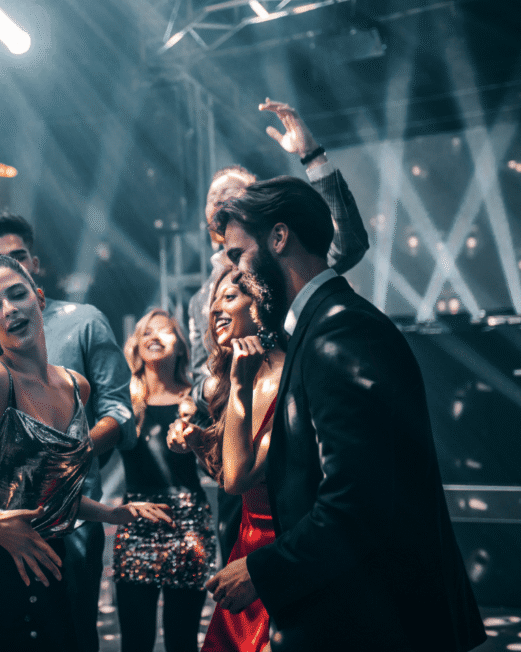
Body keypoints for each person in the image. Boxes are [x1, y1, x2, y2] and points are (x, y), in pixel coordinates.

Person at [207, 176, 486, 652]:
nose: (234, 271)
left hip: (379, 621)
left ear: (279, 237)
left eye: (238, 254)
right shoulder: (317, 328)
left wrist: (263, 569)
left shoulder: (342, 331)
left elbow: (359, 498)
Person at [0, 255, 172, 652]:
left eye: (17, 295)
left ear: (40, 299)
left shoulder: (76, 386)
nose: (9, 309)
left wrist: (109, 513)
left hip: (44, 566)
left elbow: (42, 492)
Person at [186, 99, 370, 564]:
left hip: (289, 431)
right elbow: (204, 374)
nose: (223, 201)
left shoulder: (277, 273)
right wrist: (198, 420)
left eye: (235, 195)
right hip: (234, 443)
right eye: (215, 197)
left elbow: (346, 243)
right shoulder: (199, 297)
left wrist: (313, 158)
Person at [0, 212, 134, 652]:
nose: (7, 271)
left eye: (17, 257)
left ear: (34, 265)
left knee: (71, 631)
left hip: (73, 515)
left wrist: (68, 458)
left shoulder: (84, 322)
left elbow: (119, 410)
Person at [169, 268, 285, 652]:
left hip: (284, 543)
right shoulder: (225, 380)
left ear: (261, 305)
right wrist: (198, 443)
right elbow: (227, 475)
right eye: (214, 301)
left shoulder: (288, 373)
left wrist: (238, 386)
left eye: (230, 297)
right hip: (245, 538)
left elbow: (238, 478)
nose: (215, 308)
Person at [113, 309, 215, 652]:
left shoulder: (197, 400)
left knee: (182, 641)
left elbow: (218, 469)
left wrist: (197, 443)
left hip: (189, 523)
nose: (154, 337)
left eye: (164, 330)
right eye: (146, 332)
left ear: (182, 346)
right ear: (137, 346)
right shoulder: (123, 402)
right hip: (136, 522)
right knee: (135, 642)